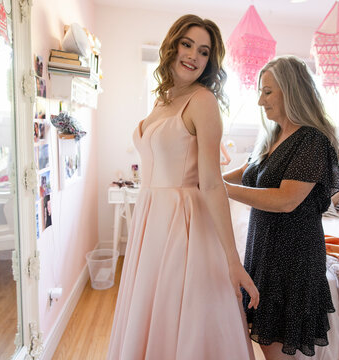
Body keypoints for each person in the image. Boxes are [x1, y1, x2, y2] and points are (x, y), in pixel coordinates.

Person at [107, 14, 259, 360]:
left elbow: (211, 183)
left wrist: (233, 261)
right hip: (151, 218)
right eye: (187, 44)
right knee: (151, 310)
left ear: (209, 62)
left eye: (203, 51)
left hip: (184, 223)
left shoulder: (202, 101)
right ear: (173, 45)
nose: (193, 55)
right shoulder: (163, 99)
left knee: (183, 317)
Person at [223, 56, 339, 359]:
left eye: (268, 92)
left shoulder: (312, 139)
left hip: (292, 256)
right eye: (260, 92)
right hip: (264, 247)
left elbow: (286, 199)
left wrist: (222, 191)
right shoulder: (274, 134)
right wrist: (201, 182)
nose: (260, 101)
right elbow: (245, 172)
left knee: (273, 343)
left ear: (291, 92)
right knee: (266, 337)